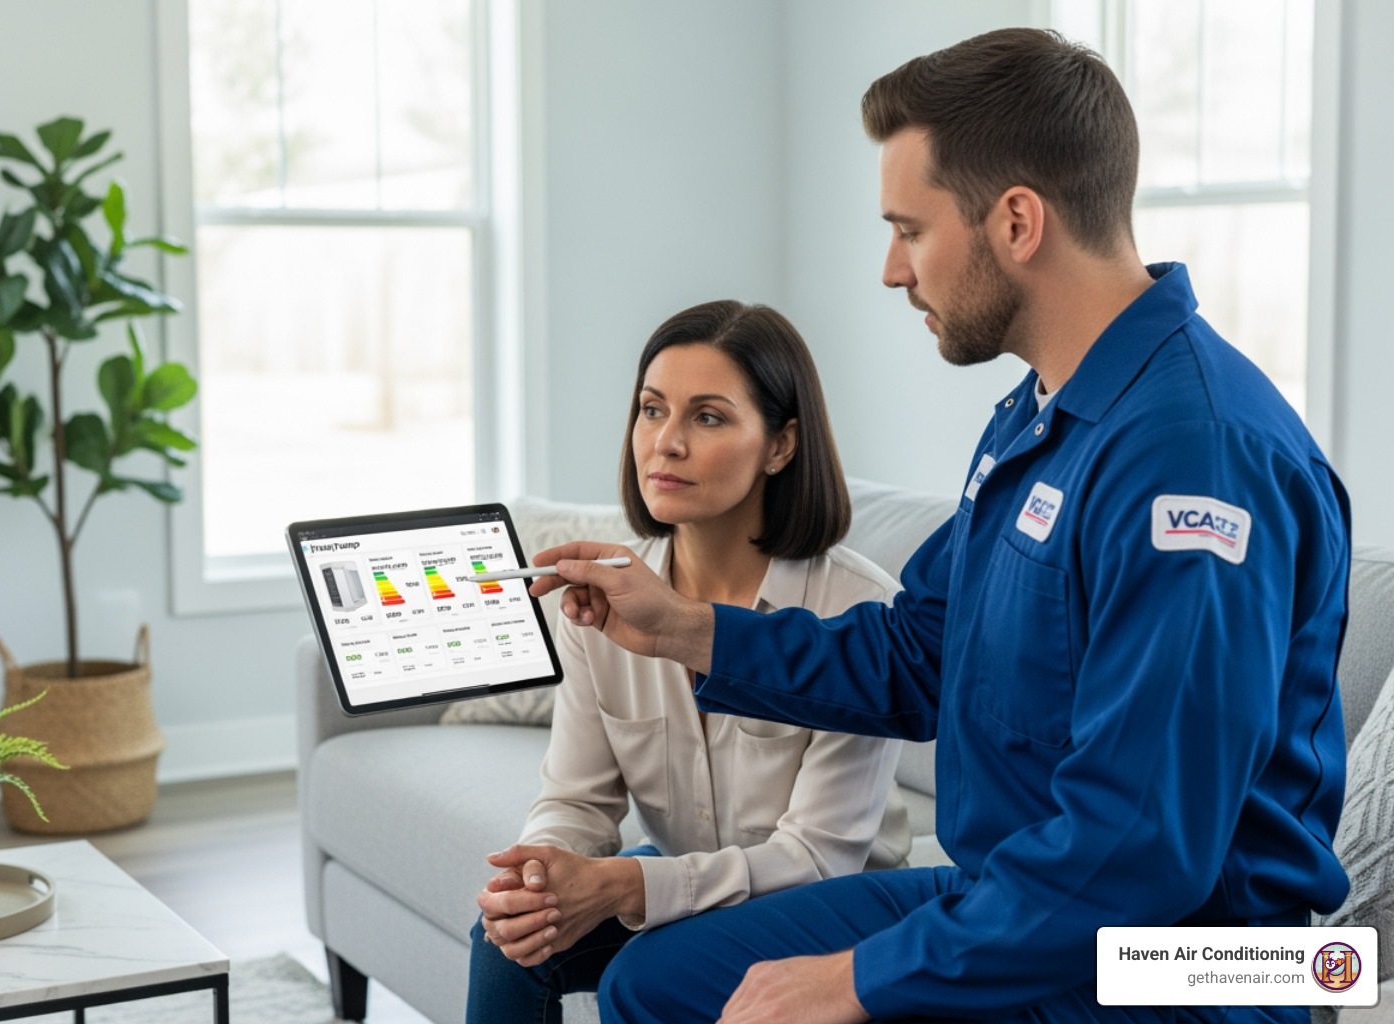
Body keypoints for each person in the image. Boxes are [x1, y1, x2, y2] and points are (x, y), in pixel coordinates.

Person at [528, 28, 1352, 1024]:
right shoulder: (1038, 417)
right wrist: (679, 630)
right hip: (1017, 897)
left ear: (1015, 223)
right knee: (658, 985)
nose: (890, 269)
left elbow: (1136, 847)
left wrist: (859, 979)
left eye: (909, 229)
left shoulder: (1194, 462)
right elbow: (920, 651)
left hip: (1173, 966)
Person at [465, 300, 913, 1023]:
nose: (664, 443)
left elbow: (817, 858)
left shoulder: (857, 612)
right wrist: (543, 871)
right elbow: (577, 798)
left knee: (641, 971)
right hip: (691, 878)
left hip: (827, 903)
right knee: (513, 939)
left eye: (707, 417)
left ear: (780, 445)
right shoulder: (600, 600)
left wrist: (621, 888)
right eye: (651, 410)